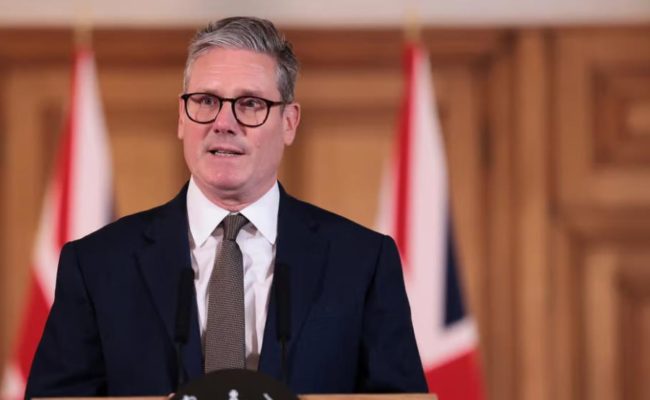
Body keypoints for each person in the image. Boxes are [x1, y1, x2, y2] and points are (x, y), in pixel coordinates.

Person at [25, 17, 427, 397]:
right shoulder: (98, 264)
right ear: (182, 117)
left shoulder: (361, 262)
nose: (223, 123)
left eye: (250, 104)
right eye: (206, 101)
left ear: (289, 122)